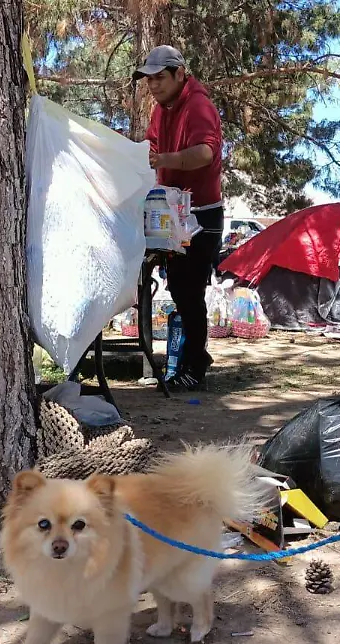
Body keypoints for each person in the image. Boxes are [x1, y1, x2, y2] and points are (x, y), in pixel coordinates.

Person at [136, 45, 224, 391]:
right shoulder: (161, 110)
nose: (153, 85)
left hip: (201, 214)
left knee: (190, 291)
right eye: (149, 80)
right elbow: (150, 147)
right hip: (172, 211)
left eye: (160, 77)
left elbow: (204, 153)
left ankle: (195, 365)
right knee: (178, 288)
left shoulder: (199, 105)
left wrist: (163, 160)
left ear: (180, 74)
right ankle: (186, 360)